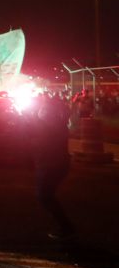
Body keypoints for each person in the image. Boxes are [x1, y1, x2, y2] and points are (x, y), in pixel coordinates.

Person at [29, 97, 75, 241]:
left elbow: (40, 142)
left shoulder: (50, 127)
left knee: (44, 196)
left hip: (51, 165)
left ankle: (66, 227)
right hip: (55, 164)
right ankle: (65, 226)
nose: (41, 113)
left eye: (43, 111)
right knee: (45, 196)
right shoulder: (56, 125)